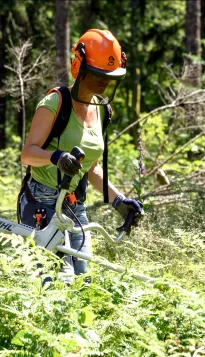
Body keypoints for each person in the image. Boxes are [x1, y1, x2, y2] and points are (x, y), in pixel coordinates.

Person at [20, 29, 143, 280]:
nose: (103, 82)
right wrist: (56, 157)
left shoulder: (102, 111)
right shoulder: (56, 103)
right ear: (80, 69)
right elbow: (28, 155)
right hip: (41, 201)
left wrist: (119, 201)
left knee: (83, 281)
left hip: (75, 204)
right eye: (98, 75)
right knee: (55, 281)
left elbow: (93, 168)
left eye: (109, 77)